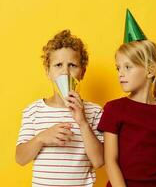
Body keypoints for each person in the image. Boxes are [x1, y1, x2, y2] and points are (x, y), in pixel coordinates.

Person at [98, 9, 156, 187]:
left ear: (150, 71)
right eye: (118, 68)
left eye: (128, 67)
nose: (121, 74)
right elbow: (110, 160)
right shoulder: (113, 109)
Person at [16, 29, 104, 187]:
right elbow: (21, 158)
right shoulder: (33, 111)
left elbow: (99, 161)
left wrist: (82, 122)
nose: (65, 72)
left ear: (82, 72)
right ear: (48, 72)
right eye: (58, 65)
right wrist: (41, 138)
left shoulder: (94, 111)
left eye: (72, 65)